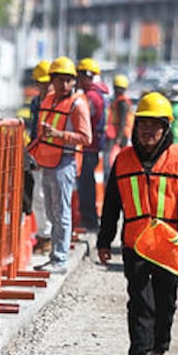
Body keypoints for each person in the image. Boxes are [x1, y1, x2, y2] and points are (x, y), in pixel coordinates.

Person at [97, 91, 178, 355]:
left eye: (154, 125)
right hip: (136, 244)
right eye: (143, 124)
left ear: (165, 128)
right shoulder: (123, 160)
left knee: (165, 300)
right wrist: (103, 241)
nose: (147, 131)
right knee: (140, 300)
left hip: (169, 244)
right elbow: (111, 205)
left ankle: (159, 351)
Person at [27, 56, 91, 273]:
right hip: (47, 161)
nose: (64, 85)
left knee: (61, 211)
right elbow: (39, 133)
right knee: (51, 211)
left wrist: (58, 135)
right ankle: (55, 254)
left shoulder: (77, 104)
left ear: (73, 82)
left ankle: (60, 259)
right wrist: (33, 155)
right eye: (59, 80)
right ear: (51, 80)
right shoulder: (49, 100)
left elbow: (86, 138)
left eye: (68, 80)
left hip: (65, 162)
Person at [76, 57, 107, 231]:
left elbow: (84, 120)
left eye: (79, 75)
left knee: (86, 186)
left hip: (89, 148)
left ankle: (89, 220)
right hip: (91, 147)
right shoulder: (96, 94)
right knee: (86, 184)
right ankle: (89, 218)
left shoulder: (92, 97)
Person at [27, 60, 53, 254]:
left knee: (52, 198)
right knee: (39, 196)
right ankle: (44, 236)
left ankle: (52, 237)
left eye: (47, 82)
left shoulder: (59, 103)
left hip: (54, 156)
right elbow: (34, 130)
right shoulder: (36, 102)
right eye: (41, 83)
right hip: (38, 155)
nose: (45, 86)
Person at [105, 73, 133, 168]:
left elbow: (122, 121)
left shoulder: (122, 103)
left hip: (121, 134)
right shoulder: (119, 101)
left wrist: (119, 138)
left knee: (116, 159)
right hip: (118, 133)